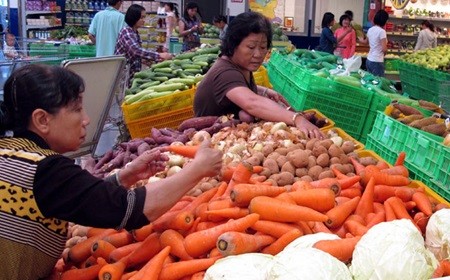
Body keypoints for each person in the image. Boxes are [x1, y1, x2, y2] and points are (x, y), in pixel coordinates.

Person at [0, 64, 222, 279]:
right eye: (77, 109)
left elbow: (78, 197)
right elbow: (130, 210)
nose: (86, 119)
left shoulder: (12, 154)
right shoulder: (44, 170)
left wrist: (123, 177)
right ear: (42, 120)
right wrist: (197, 169)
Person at [194, 11, 323, 139]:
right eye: (251, 47)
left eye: (263, 47)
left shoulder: (240, 65)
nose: (258, 54)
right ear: (233, 45)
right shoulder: (225, 73)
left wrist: (263, 90)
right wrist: (297, 118)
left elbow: (237, 89)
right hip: (208, 142)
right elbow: (252, 103)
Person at [115, 4, 172, 81]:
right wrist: (159, 55)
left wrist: (146, 60)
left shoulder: (135, 32)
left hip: (131, 75)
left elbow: (132, 54)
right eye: (142, 17)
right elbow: (136, 50)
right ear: (134, 17)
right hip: (123, 76)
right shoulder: (127, 32)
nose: (144, 20)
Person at [366, 9, 389, 77]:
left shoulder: (370, 29)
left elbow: (366, 42)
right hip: (377, 61)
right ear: (384, 20)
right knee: (379, 82)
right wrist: (384, 54)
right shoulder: (382, 32)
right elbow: (384, 49)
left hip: (369, 59)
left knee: (371, 81)